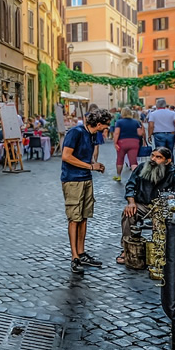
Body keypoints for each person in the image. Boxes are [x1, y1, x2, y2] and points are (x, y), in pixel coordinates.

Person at [117, 147, 175, 264]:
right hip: (142, 204)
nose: (153, 159)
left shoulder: (172, 171)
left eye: (158, 157)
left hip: (161, 207)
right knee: (128, 214)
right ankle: (127, 248)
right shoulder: (142, 168)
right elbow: (130, 185)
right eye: (152, 155)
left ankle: (159, 250)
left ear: (167, 161)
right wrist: (131, 203)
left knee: (163, 220)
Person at [61, 108, 112, 274]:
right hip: (73, 179)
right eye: (106, 126)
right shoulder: (75, 132)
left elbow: (86, 156)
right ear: (98, 124)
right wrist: (91, 166)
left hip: (86, 178)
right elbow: (66, 156)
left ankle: (81, 253)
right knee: (74, 218)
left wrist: (94, 166)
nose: (107, 129)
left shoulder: (93, 135)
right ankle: (74, 256)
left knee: (84, 217)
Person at [113, 108, 145, 181]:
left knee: (120, 159)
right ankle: (136, 177)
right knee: (133, 161)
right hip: (134, 142)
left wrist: (115, 143)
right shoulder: (135, 122)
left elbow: (117, 133)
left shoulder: (119, 122)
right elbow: (140, 133)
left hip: (122, 142)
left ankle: (118, 176)